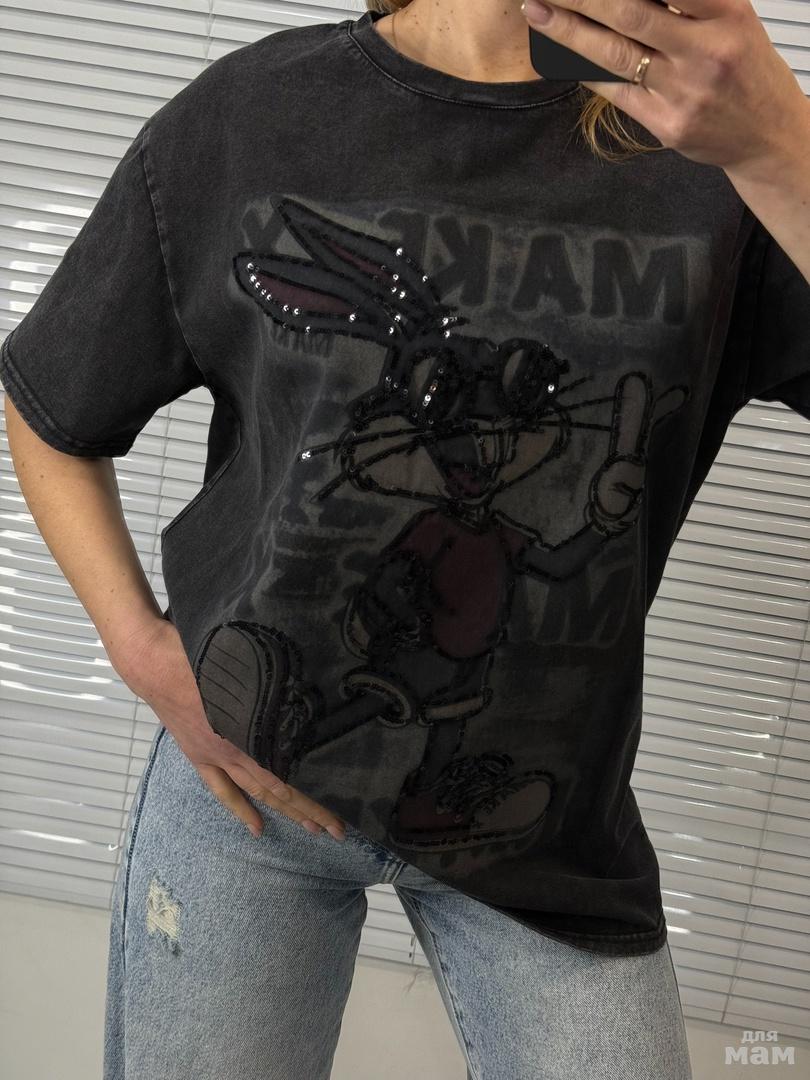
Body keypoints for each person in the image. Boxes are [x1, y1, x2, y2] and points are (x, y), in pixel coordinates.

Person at [2, 1, 809, 1077]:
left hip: (546, 843)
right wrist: (145, 653)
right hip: (245, 794)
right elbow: (52, 402)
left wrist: (783, 145)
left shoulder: (714, 139)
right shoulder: (254, 115)